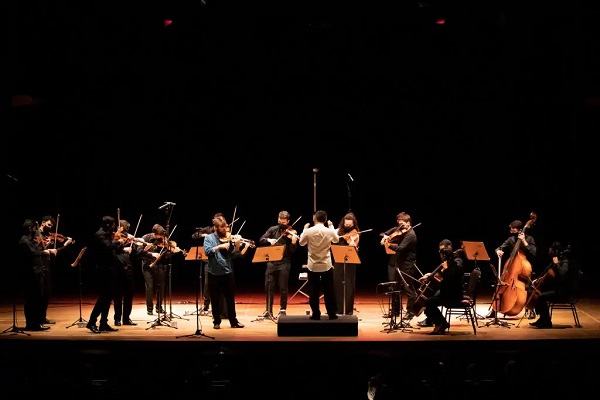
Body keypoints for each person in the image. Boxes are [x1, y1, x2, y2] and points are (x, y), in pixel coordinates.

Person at [202, 215, 248, 329]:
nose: (225, 230)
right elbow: (208, 251)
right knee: (215, 298)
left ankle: (233, 321)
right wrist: (220, 246)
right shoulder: (209, 238)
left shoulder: (229, 238)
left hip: (227, 272)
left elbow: (233, 254)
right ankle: (216, 321)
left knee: (230, 298)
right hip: (213, 273)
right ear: (216, 228)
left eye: (225, 227)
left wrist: (236, 246)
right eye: (222, 228)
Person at [486, 218, 537, 319]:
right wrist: (498, 251)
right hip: (511, 269)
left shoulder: (530, 239)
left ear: (519, 230)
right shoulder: (511, 240)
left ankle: (531, 309)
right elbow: (499, 248)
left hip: (525, 269)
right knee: (500, 284)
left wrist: (523, 241)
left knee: (528, 287)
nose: (510, 231)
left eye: (512, 229)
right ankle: (494, 309)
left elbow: (533, 253)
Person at [86, 215, 126, 333]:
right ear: (108, 225)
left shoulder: (107, 234)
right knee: (103, 297)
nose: (115, 228)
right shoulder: (99, 235)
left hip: (111, 268)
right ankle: (92, 322)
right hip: (104, 269)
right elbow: (108, 247)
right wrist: (118, 241)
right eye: (113, 225)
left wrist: (118, 242)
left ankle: (103, 323)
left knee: (108, 298)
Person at [298, 210, 340, 320]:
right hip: (326, 264)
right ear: (325, 219)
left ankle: (316, 314)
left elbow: (301, 243)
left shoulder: (308, 231)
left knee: (313, 291)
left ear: (315, 218)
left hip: (313, 265)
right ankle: (331, 313)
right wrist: (331, 227)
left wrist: (304, 229)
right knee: (329, 290)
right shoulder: (329, 231)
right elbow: (336, 240)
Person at [112, 219, 154, 326]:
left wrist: (145, 250)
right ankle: (117, 319)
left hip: (128, 270)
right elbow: (111, 250)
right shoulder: (113, 239)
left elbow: (136, 254)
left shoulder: (129, 239)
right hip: (117, 269)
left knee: (129, 295)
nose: (125, 235)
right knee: (118, 296)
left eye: (126, 232)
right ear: (118, 228)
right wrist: (123, 248)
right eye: (123, 231)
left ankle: (126, 318)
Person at [257, 210, 299, 317]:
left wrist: (293, 242)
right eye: (280, 221)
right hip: (271, 262)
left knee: (283, 287)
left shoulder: (291, 233)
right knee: (269, 286)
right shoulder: (272, 229)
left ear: (288, 221)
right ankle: (268, 310)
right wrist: (269, 240)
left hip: (284, 262)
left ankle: (283, 309)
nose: (282, 224)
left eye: (284, 223)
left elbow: (292, 251)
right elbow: (261, 240)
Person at [419, 239, 465, 334]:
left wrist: (446, 269)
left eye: (443, 251)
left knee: (428, 302)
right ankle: (442, 323)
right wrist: (429, 275)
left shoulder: (457, 261)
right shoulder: (447, 261)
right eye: (440, 251)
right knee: (428, 303)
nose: (441, 254)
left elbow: (453, 275)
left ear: (449, 249)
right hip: (446, 292)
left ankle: (440, 324)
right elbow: (440, 274)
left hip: (454, 295)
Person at [35, 215, 74, 325]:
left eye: (51, 226)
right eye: (48, 225)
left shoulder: (49, 236)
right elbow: (37, 251)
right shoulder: (36, 235)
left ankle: (42, 317)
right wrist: (47, 248)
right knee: (40, 294)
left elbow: (55, 251)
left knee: (46, 294)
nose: (50, 228)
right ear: (42, 223)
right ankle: (37, 319)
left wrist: (65, 245)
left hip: (47, 267)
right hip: (38, 267)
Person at [17, 219, 55, 331]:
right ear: (30, 229)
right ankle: (32, 324)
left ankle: (36, 322)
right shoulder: (24, 240)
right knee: (31, 300)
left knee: (36, 299)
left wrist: (45, 246)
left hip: (35, 272)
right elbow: (32, 253)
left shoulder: (28, 239)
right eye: (34, 228)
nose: (35, 230)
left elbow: (36, 249)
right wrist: (44, 252)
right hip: (30, 274)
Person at [380, 212, 418, 322]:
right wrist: (386, 236)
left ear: (408, 223)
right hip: (399, 263)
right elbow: (386, 233)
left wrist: (387, 244)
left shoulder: (411, 235)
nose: (400, 226)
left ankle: (410, 312)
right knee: (395, 287)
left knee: (409, 289)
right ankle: (395, 311)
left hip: (407, 265)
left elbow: (400, 248)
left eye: (402, 224)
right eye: (399, 224)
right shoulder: (400, 230)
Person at [529, 242, 578, 329]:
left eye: (550, 251)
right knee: (540, 296)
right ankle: (543, 319)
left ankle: (546, 322)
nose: (549, 252)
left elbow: (562, 273)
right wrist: (538, 279)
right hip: (558, 291)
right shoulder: (557, 260)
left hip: (564, 293)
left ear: (556, 252)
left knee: (540, 297)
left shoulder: (565, 261)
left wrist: (556, 263)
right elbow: (548, 272)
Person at [333, 212, 360, 315]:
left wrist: (351, 239)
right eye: (346, 224)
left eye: (350, 225)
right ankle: (338, 309)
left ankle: (348, 310)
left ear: (353, 225)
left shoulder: (355, 233)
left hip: (350, 261)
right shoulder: (338, 231)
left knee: (349, 285)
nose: (348, 226)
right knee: (337, 284)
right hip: (338, 260)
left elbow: (353, 245)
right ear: (343, 223)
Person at [140, 224, 170, 316]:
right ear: (154, 233)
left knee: (161, 286)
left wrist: (169, 250)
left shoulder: (163, 239)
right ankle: (149, 309)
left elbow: (167, 255)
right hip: (147, 265)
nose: (161, 237)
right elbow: (139, 252)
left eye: (162, 235)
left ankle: (159, 307)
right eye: (159, 235)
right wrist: (151, 254)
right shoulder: (145, 238)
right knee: (149, 287)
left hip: (159, 265)